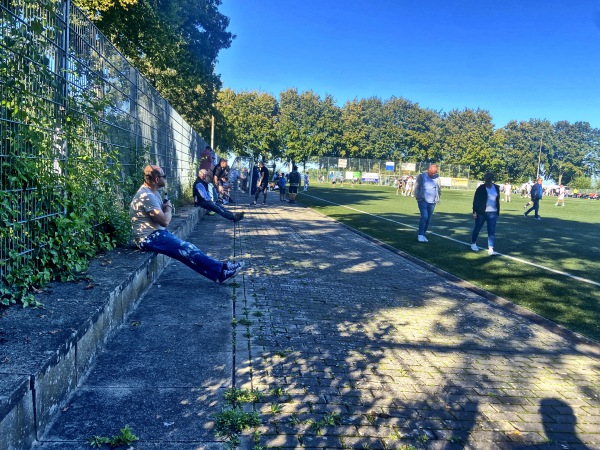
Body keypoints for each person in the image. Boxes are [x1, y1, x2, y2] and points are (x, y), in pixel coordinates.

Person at [130, 165, 244, 283]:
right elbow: (165, 221)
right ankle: (221, 271)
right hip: (148, 238)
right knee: (187, 248)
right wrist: (168, 208)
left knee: (187, 250)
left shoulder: (153, 192)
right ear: (157, 179)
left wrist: (166, 210)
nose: (166, 178)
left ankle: (221, 270)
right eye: (164, 176)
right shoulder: (147, 196)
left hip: (156, 233)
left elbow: (162, 217)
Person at [470, 172, 500, 256]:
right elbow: (475, 200)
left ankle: (491, 248)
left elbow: (497, 200)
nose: (487, 182)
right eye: (486, 180)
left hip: (493, 213)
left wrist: (497, 211)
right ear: (484, 180)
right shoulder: (480, 188)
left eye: (489, 180)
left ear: (492, 180)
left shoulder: (496, 188)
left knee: (491, 231)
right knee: (477, 228)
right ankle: (473, 243)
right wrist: (474, 212)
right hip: (481, 213)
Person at [414, 163, 441, 242]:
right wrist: (418, 196)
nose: (433, 174)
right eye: (432, 172)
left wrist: (438, 197)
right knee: (424, 216)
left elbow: (438, 188)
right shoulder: (422, 176)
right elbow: (416, 187)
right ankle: (420, 234)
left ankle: (423, 234)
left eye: (435, 172)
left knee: (428, 219)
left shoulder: (437, 178)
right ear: (428, 170)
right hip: (423, 200)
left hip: (432, 201)